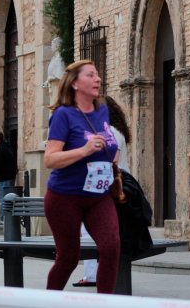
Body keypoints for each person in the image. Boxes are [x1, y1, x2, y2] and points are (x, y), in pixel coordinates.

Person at [43, 60, 120, 294]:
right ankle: (48, 301)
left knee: (111, 247)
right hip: (64, 197)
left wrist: (111, 155)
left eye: (97, 75)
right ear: (75, 83)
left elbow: (108, 142)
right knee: (68, 257)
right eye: (91, 75)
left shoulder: (103, 110)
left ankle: (104, 303)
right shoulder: (63, 115)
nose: (97, 79)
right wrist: (85, 150)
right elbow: (50, 159)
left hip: (98, 195)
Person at [73, 95, 132, 287]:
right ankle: (101, 274)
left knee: (89, 230)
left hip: (105, 185)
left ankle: (92, 275)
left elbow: (110, 159)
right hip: (115, 184)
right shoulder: (118, 131)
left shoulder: (110, 132)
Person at [0, 131, 16, 225]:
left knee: (3, 198)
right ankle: (7, 218)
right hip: (10, 176)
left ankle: (2, 218)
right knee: (9, 198)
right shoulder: (8, 147)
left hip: (4, 177)